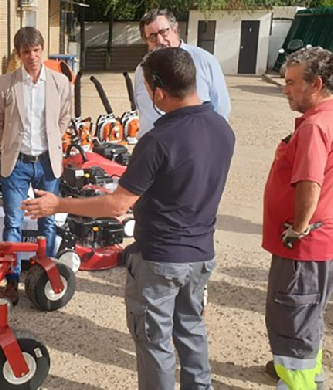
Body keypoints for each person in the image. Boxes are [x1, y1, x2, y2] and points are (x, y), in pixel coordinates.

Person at [21, 47, 235, 390]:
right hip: (201, 256)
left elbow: (117, 205)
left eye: (148, 89)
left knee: (154, 343)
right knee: (192, 331)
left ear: (159, 91)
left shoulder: (158, 140)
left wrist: (58, 204)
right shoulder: (223, 130)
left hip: (161, 260)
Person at [262, 46, 333, 390]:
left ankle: (298, 383)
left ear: (316, 83)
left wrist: (298, 229)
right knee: (308, 313)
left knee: (291, 319)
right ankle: (313, 376)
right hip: (322, 245)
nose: (285, 89)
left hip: (303, 248)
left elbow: (310, 183)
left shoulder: (314, 127)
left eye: (291, 82)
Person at [0, 27, 72, 305]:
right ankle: (12, 280)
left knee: (47, 222)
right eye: (27, 52)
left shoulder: (60, 82)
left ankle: (42, 276)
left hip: (47, 163)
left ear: (42, 50)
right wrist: (9, 143)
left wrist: (54, 142)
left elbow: (64, 117)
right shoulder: (6, 84)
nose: (33, 56)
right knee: (12, 223)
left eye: (37, 50)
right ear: (19, 54)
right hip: (17, 163)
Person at [134, 8, 231, 139]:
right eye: (152, 37)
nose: (160, 40)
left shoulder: (204, 61)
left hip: (191, 151)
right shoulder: (142, 70)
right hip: (152, 151)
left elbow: (221, 109)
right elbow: (143, 112)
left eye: (164, 32)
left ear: (175, 29)